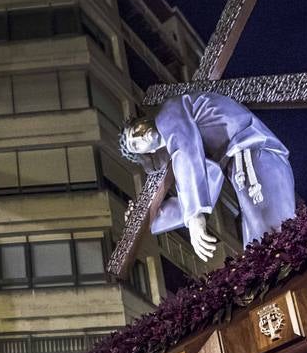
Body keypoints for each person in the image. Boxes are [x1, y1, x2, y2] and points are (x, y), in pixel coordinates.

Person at [121, 93, 296, 261]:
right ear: (149, 152)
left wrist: (195, 216)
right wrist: (149, 219)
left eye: (135, 129)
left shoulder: (169, 112)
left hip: (252, 155)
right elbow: (206, 179)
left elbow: (186, 154)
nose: (139, 136)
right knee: (259, 247)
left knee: (276, 238)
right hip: (245, 166)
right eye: (135, 144)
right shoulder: (189, 145)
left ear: (144, 120)